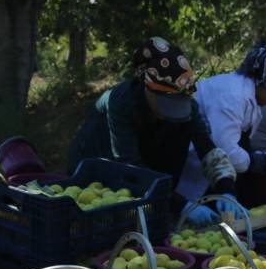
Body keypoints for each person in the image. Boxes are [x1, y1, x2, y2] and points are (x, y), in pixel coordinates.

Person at [67, 37, 236, 227]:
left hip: (144, 157)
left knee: (178, 134)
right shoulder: (121, 102)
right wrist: (181, 204)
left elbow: (206, 146)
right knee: (105, 218)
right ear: (146, 86)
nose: (172, 109)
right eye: (166, 101)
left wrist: (226, 189)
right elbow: (129, 166)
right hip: (99, 163)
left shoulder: (187, 104)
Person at [175, 40, 266, 210]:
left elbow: (239, 142)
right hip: (183, 166)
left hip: (206, 172)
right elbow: (227, 151)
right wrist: (261, 162)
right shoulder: (232, 96)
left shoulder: (250, 98)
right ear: (263, 83)